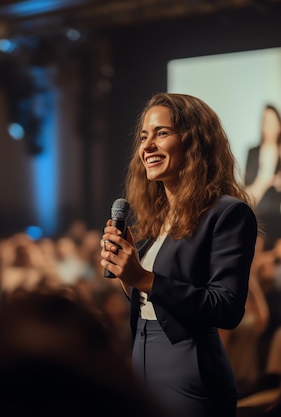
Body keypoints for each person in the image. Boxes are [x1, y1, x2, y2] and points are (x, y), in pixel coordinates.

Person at [100, 92, 258, 417]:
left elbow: (226, 308)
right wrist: (127, 271)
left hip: (189, 367)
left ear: (194, 142)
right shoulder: (158, 219)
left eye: (162, 133)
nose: (147, 146)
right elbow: (151, 298)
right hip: (142, 357)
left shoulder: (228, 213)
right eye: (144, 136)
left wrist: (141, 276)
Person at [244, 104, 281, 217]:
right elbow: (247, 187)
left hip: (275, 216)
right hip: (254, 213)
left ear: (279, 126)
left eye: (271, 121)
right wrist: (266, 181)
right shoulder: (252, 152)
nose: (266, 124)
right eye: (264, 120)